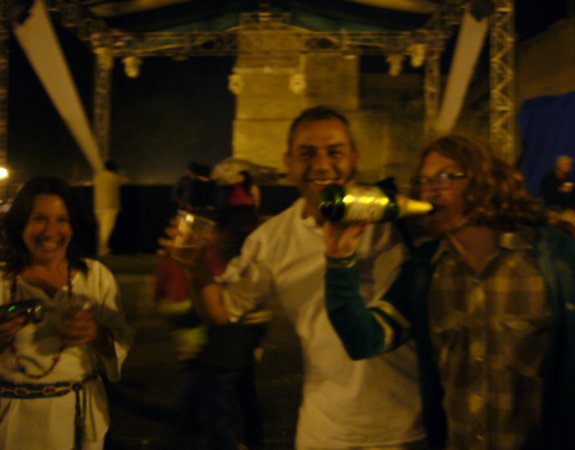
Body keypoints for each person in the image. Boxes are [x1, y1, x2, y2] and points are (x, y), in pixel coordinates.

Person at [161, 106, 426, 449]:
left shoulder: (399, 218)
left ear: (355, 157)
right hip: (323, 431)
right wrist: (196, 269)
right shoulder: (272, 239)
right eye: (307, 154)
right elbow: (221, 312)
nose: (322, 164)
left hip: (409, 430)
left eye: (335, 152)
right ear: (288, 164)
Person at [324, 133, 575, 450]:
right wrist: (339, 258)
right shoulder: (426, 272)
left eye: (445, 177)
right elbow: (364, 340)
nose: (429, 190)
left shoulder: (560, 259)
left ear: (485, 180)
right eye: (423, 180)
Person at [0, 176, 134, 449]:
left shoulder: (95, 277)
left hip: (77, 416)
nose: (51, 231)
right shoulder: (3, 282)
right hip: (13, 420)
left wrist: (96, 334)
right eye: (39, 218)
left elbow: (119, 341)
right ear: (20, 225)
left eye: (62, 219)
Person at [179, 205, 267, 450]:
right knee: (241, 403)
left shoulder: (248, 269)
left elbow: (217, 314)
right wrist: (192, 271)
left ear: (231, 234)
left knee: (219, 416)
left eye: (216, 231)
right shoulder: (235, 265)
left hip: (226, 353)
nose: (211, 237)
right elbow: (206, 309)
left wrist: (197, 268)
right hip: (233, 352)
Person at [93, 160, 127, 256]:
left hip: (98, 206)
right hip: (110, 206)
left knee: (101, 228)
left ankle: (101, 248)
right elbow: (124, 181)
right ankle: (103, 249)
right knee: (107, 228)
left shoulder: (97, 177)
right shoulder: (114, 177)